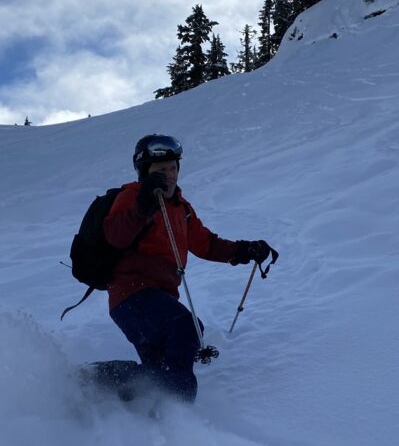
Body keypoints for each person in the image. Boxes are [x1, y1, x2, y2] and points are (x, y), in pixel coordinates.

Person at [102, 134, 274, 402]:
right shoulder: (132, 197)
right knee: (186, 328)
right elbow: (115, 236)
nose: (169, 175)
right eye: (161, 170)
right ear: (145, 172)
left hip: (160, 298)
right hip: (132, 296)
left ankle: (105, 384)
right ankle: (177, 408)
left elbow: (205, 244)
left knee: (156, 371)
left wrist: (244, 250)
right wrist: (143, 206)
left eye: (173, 168)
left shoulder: (182, 208)